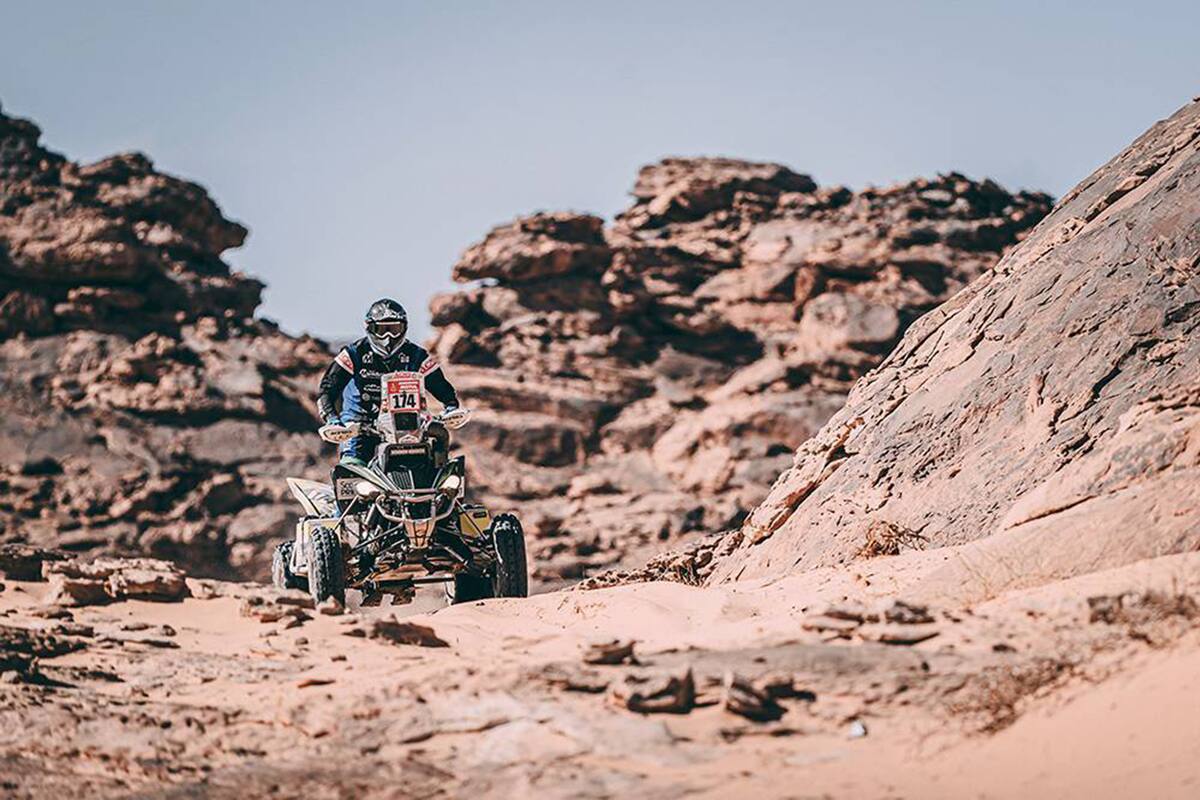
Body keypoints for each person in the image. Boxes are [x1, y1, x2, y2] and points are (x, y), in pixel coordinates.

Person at [316, 298, 460, 466]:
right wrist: (332, 419)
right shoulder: (353, 354)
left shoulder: (417, 355)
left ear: (404, 328)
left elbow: (441, 387)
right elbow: (327, 389)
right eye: (382, 330)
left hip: (407, 428)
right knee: (350, 470)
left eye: (394, 329)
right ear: (370, 328)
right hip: (359, 427)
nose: (388, 337)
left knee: (436, 453)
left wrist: (451, 406)